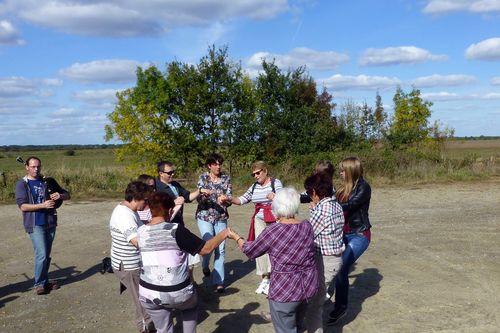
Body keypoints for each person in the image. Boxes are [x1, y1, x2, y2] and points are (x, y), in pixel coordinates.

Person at [136, 191, 230, 333]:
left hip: (148, 292)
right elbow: (206, 249)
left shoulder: (141, 231)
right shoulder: (176, 230)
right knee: (189, 308)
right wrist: (224, 233)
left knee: (163, 328)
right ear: (169, 210)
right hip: (177, 291)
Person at [227, 187, 318, 333]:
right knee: (299, 326)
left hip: (285, 291)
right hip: (308, 286)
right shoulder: (307, 226)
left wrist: (236, 237)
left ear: (276, 207)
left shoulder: (273, 231)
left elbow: (250, 251)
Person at [15, 156, 70, 295]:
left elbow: (67, 194)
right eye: (33, 166)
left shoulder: (47, 181)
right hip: (35, 223)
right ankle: (39, 283)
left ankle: (45, 281)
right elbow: (23, 206)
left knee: (47, 254)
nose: (36, 169)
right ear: (27, 167)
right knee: (42, 254)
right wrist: (43, 205)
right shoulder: (22, 184)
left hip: (50, 221)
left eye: (38, 166)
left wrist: (60, 196)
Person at [227, 160, 283, 295]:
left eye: (258, 173)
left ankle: (274, 278)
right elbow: (242, 200)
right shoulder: (254, 187)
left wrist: (275, 197)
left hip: (274, 219)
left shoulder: (276, 183)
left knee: (275, 248)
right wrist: (229, 199)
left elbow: (283, 199)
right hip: (259, 220)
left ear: (265, 171)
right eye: (254, 174)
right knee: (260, 248)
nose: (256, 176)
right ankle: (265, 278)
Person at [328, 157, 372, 325]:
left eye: (342, 170)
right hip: (342, 234)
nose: (340, 173)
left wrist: (329, 206)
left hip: (359, 234)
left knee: (341, 267)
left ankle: (341, 307)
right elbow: (327, 198)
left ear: (350, 171)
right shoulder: (341, 189)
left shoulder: (364, 187)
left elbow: (350, 205)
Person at [109, 181, 155, 333]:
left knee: (143, 298)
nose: (147, 204)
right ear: (136, 198)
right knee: (142, 301)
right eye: (145, 200)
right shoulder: (124, 215)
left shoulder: (129, 210)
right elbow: (136, 240)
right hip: (129, 266)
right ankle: (146, 329)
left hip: (132, 263)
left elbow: (143, 229)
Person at [303, 172, 345, 332]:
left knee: (314, 307)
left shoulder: (322, 210)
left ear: (314, 192)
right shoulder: (335, 205)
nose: (309, 196)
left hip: (325, 261)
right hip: (334, 259)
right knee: (313, 300)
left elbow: (307, 233)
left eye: (308, 193)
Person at [195, 153, 232, 292]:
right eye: (215, 164)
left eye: (220, 164)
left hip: (221, 217)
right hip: (204, 216)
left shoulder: (226, 178)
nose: (218, 166)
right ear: (209, 165)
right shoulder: (203, 178)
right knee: (208, 244)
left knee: (220, 249)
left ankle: (219, 282)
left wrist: (226, 200)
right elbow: (198, 198)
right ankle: (205, 265)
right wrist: (203, 196)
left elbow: (230, 199)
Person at [155, 161, 210, 225]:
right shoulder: (156, 187)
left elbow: (188, 197)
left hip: (179, 222)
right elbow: (155, 206)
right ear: (161, 173)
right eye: (169, 173)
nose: (172, 174)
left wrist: (199, 191)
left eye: (173, 172)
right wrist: (173, 202)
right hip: (165, 224)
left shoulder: (175, 184)